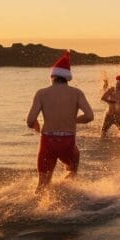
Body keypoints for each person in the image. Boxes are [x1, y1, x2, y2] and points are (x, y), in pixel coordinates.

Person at [26, 52, 95, 193]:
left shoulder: (41, 93)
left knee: (42, 184)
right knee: (71, 174)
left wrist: (36, 126)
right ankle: (65, 200)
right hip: (68, 141)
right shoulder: (77, 93)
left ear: (52, 77)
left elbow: (30, 120)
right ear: (67, 78)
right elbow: (89, 116)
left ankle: (39, 210)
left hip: (47, 141)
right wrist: (73, 120)